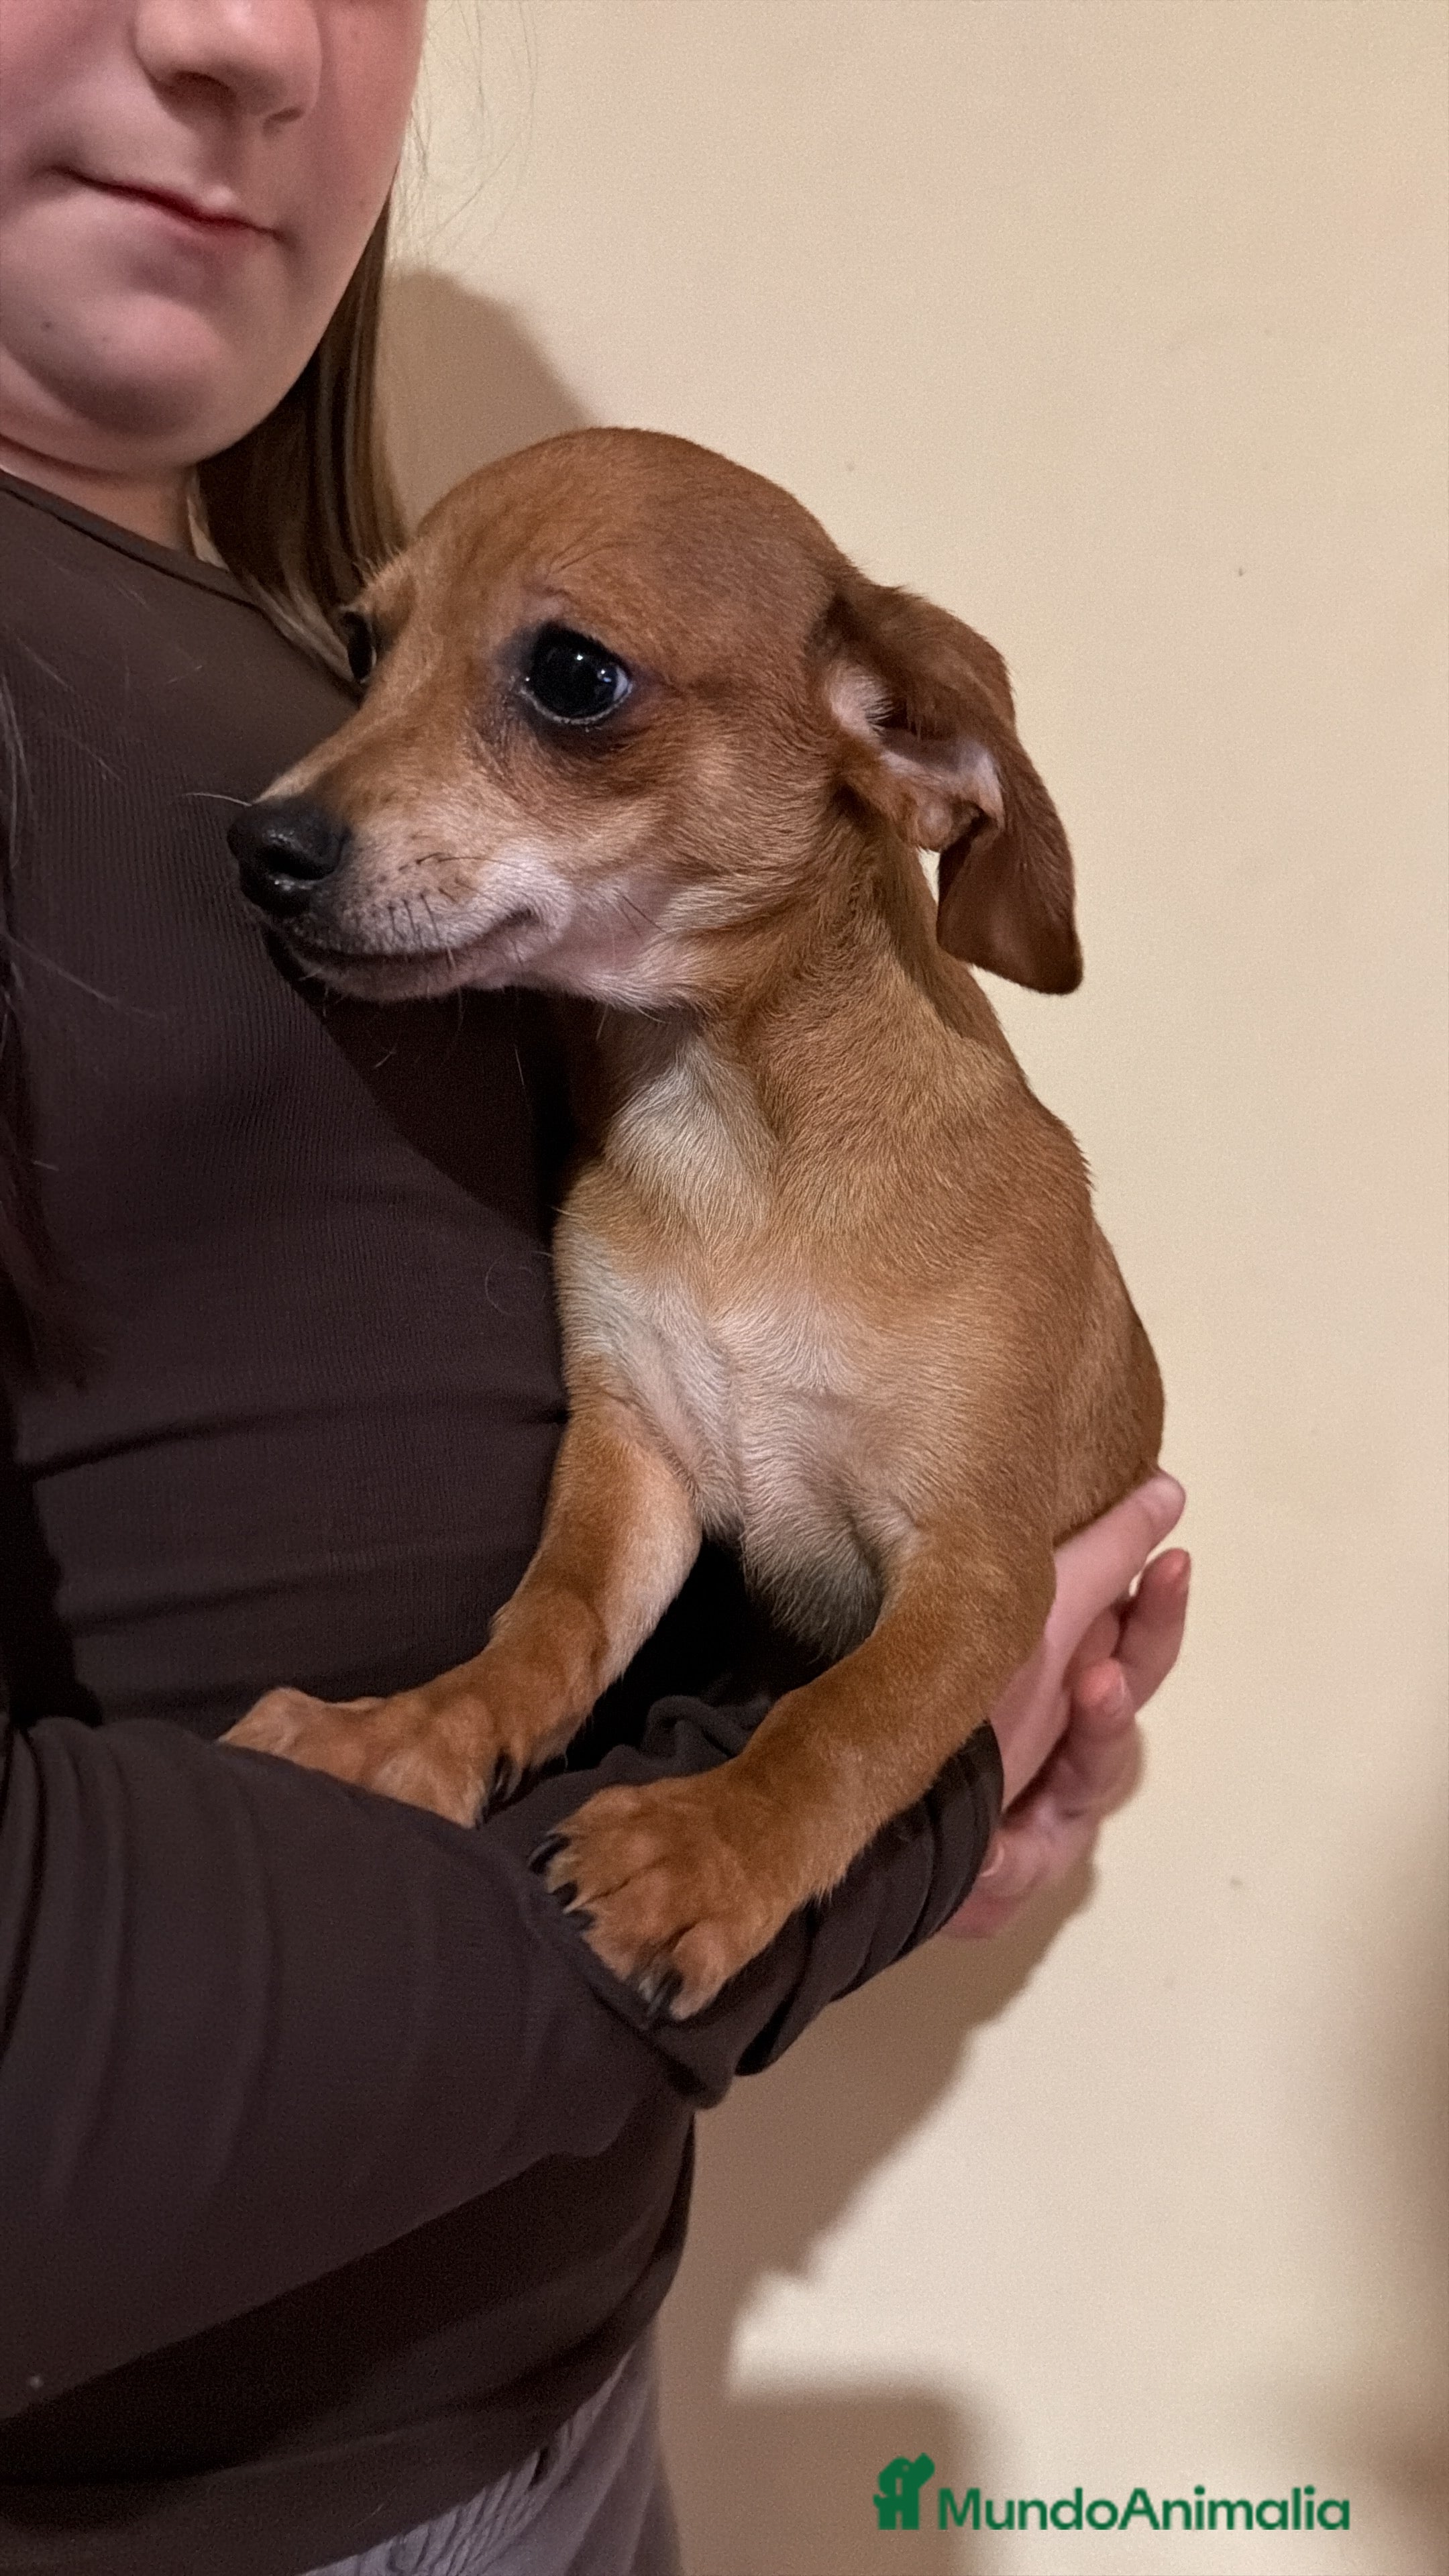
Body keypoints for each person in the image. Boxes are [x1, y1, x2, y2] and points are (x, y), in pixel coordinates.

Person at [0, 4, 1189, 2571]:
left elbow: (894, 1564)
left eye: (553, 689)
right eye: (416, 661)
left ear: (911, 763)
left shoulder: (901, 1138)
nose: (232, 27)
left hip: (554, 2379)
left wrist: (860, 1761)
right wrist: (834, 1836)